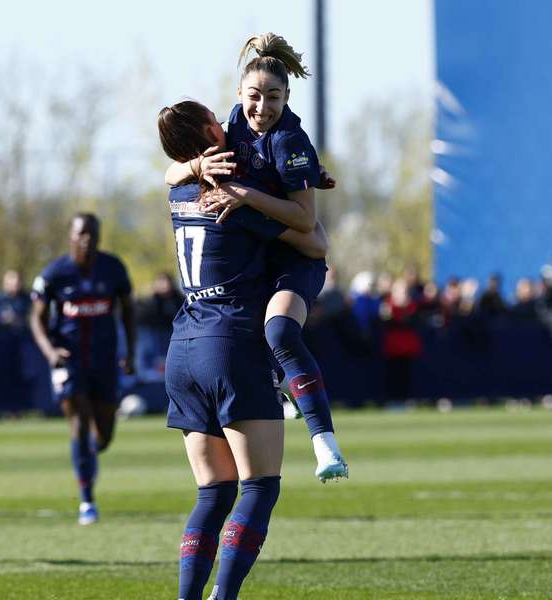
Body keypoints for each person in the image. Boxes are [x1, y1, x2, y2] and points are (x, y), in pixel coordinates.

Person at [158, 99, 328, 600]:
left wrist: (190, 165)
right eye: (216, 116)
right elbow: (314, 241)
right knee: (259, 487)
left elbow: (171, 173)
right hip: (229, 344)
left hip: (183, 349)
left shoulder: (181, 189)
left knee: (213, 494)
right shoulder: (231, 197)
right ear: (209, 130)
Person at [165, 33, 347, 482]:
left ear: (287, 98)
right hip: (266, 243)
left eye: (274, 97)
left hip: (295, 256)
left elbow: (308, 227)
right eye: (254, 96)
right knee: (260, 331)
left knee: (281, 331)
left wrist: (244, 193)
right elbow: (170, 174)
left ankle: (325, 443)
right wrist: (196, 169)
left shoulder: (288, 141)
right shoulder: (231, 125)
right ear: (237, 96)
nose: (262, 106)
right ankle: (275, 385)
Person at [28, 213, 136, 525]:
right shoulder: (55, 273)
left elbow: (128, 310)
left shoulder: (113, 268)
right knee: (77, 421)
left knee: (102, 436)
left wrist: (128, 350)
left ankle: (88, 455)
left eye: (93, 234)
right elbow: (35, 317)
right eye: (82, 233)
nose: (88, 239)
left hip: (104, 360)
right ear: (71, 237)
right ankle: (87, 500)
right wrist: (50, 351)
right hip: (69, 361)